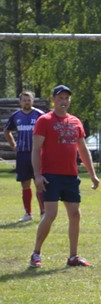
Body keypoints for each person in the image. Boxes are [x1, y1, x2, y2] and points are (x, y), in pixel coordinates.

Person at [29, 85, 100, 269]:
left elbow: (83, 149)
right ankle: (36, 252)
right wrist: (37, 175)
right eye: (60, 98)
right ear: (53, 100)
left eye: (67, 98)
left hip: (70, 176)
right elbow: (36, 149)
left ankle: (73, 257)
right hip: (50, 176)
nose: (64, 101)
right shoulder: (44, 120)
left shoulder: (76, 122)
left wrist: (92, 174)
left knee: (75, 215)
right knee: (50, 214)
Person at [4, 90, 45, 223]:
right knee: (25, 184)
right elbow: (7, 131)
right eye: (24, 100)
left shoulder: (39, 115)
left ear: (32, 101)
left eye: (29, 100)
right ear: (20, 102)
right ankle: (28, 213)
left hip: (37, 154)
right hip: (22, 154)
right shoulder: (16, 116)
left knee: (39, 183)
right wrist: (13, 145)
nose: (26, 102)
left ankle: (43, 212)